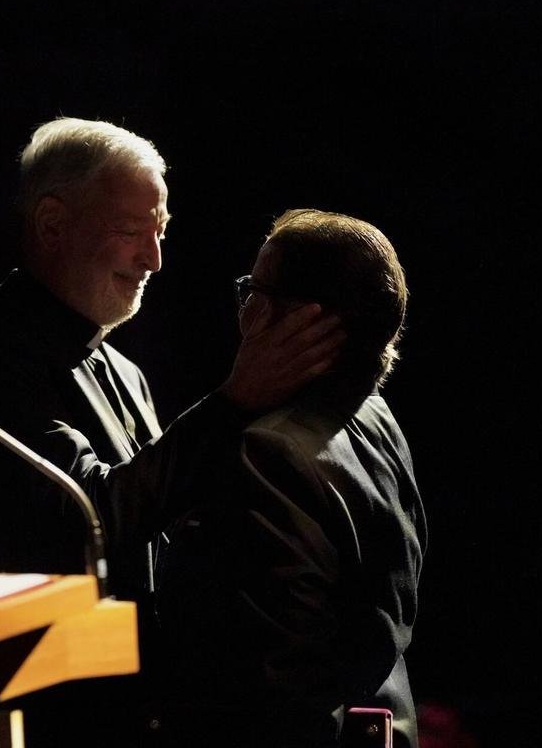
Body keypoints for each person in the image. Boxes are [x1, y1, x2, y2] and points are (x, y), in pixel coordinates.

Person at [0, 119, 344, 746]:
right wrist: (234, 402)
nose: (154, 259)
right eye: (131, 231)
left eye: (161, 232)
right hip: (55, 720)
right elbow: (87, 518)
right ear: (51, 224)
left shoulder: (124, 369)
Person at [155, 209, 428, 748]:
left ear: (306, 322)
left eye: (255, 291)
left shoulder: (270, 451)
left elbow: (277, 683)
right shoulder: (376, 413)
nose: (245, 308)